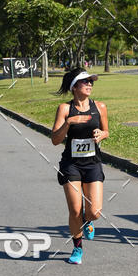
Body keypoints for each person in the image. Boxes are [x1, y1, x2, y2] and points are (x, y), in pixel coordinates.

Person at [51, 68, 108, 265]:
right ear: (74, 87)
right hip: (71, 165)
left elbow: (107, 130)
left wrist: (102, 134)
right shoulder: (65, 109)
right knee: (75, 210)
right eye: (85, 82)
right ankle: (77, 248)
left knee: (95, 212)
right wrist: (68, 123)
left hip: (92, 163)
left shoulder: (100, 107)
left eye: (91, 82)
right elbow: (55, 140)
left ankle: (87, 220)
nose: (90, 84)